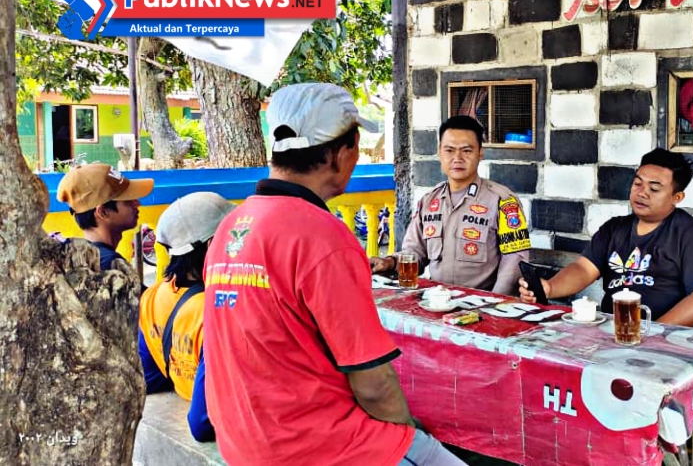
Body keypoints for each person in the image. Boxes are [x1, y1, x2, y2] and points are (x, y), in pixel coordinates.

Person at [201, 83, 466, 466]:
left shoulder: (233, 225)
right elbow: (374, 385)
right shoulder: (322, 235)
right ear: (340, 154)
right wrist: (408, 432)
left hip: (245, 442)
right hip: (320, 446)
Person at [519, 149, 693, 331]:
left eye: (654, 189)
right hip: (620, 334)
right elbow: (584, 269)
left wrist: (652, 334)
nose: (642, 193)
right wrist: (549, 288)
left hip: (681, 341)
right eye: (637, 184)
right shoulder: (615, 229)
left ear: (677, 197)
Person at [370, 115, 530, 295]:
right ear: (439, 152)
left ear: (480, 153)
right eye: (449, 150)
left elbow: (514, 261)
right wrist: (390, 262)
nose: (457, 158)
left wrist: (494, 305)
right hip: (437, 300)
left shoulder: (503, 201)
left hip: (483, 305)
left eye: (467, 151)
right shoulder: (429, 201)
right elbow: (415, 253)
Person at [138, 192, 235, 442]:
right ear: (212, 244)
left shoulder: (151, 296)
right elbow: (201, 424)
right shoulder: (217, 314)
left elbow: (149, 377)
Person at [56, 163, 153, 271]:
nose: (137, 203)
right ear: (103, 212)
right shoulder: (110, 266)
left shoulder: (78, 258)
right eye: (128, 201)